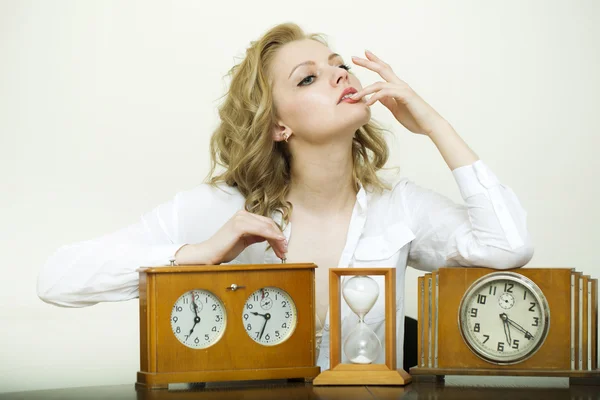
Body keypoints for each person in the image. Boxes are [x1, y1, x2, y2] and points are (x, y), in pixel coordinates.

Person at [37, 22, 534, 371]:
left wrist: (434, 123)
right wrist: (198, 255)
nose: (342, 74)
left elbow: (507, 247)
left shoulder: (399, 207)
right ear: (278, 125)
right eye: (309, 77)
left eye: (340, 65)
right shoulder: (222, 209)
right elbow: (56, 279)